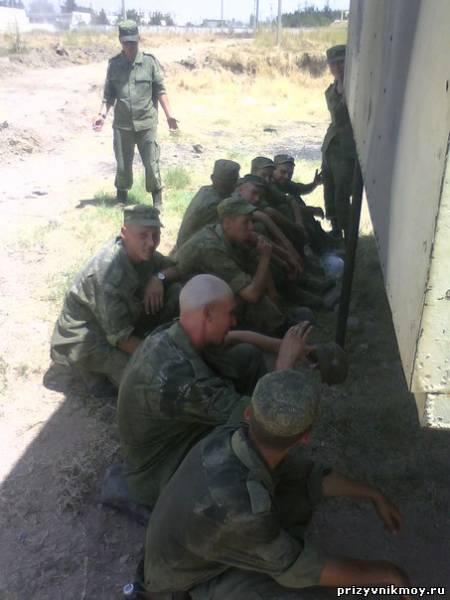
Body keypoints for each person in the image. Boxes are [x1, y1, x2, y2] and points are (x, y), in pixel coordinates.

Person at [143, 369, 410, 599]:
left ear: (249, 413)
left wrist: (373, 494)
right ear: (305, 437)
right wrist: (389, 574)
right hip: (185, 584)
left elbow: (308, 475)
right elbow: (300, 568)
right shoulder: (245, 511)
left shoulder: (230, 436)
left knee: (293, 495)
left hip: (190, 549)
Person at [117, 274, 313, 508]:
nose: (234, 321)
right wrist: (285, 363)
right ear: (208, 314)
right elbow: (259, 419)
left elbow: (231, 337)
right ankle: (264, 459)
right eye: (230, 313)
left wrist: (278, 345)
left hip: (171, 432)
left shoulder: (174, 331)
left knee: (247, 356)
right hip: (158, 474)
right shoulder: (180, 378)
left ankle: (263, 448)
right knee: (248, 434)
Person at [49, 205, 180, 392]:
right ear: (124, 233)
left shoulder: (141, 252)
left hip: (116, 324)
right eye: (143, 235)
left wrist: (158, 278)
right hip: (87, 337)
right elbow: (121, 338)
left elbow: (178, 269)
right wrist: (161, 357)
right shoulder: (107, 274)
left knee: (176, 290)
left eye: (156, 235)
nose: (151, 243)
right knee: (149, 381)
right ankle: (90, 370)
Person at [175, 195, 314, 334]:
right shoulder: (211, 248)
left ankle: (277, 316)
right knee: (243, 297)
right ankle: (279, 329)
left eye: (251, 221)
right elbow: (252, 294)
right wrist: (265, 257)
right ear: (227, 223)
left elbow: (257, 242)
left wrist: (285, 259)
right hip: (189, 303)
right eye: (245, 222)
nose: (251, 226)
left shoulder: (227, 233)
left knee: (253, 265)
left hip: (203, 290)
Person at [92, 20, 179, 208]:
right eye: (126, 42)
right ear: (120, 41)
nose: (130, 46)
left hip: (146, 123)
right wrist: (102, 115)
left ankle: (157, 201)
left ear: (139, 39)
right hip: (123, 125)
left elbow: (160, 90)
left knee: (151, 163)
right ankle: (121, 198)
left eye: (133, 41)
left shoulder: (149, 62)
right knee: (123, 164)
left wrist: (169, 116)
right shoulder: (114, 64)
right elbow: (109, 95)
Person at [321, 44, 357, 240]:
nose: (337, 67)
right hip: (331, 146)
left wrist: (344, 88)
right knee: (329, 190)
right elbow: (337, 116)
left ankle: (348, 234)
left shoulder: (355, 88)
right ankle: (336, 229)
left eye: (341, 62)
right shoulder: (331, 90)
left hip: (346, 149)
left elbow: (341, 115)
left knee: (342, 193)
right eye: (333, 64)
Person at [176, 159, 240, 248]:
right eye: (225, 181)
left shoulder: (206, 190)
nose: (231, 185)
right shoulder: (214, 204)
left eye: (233, 181)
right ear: (213, 179)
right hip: (193, 249)